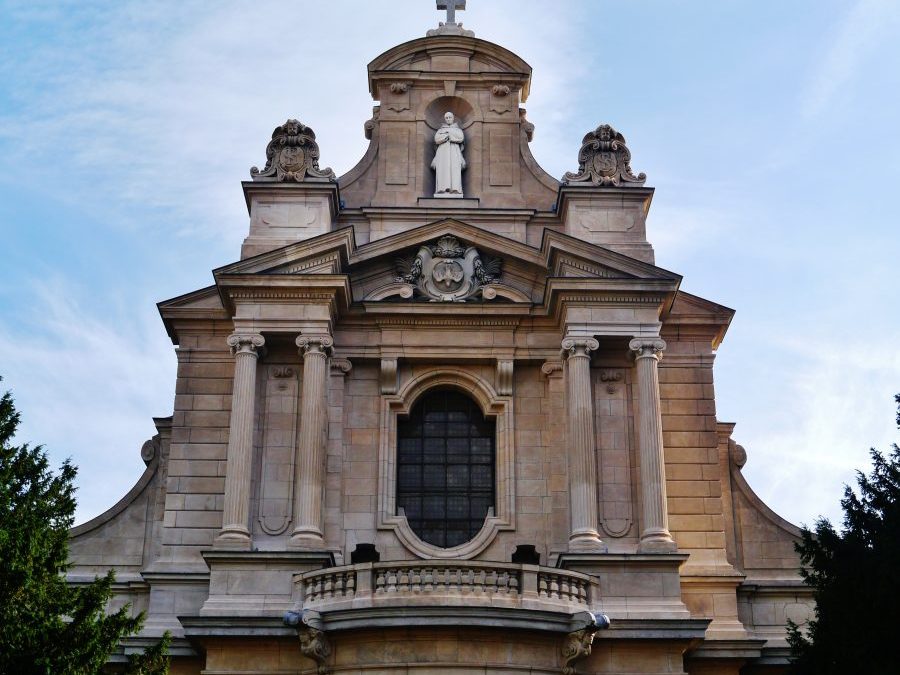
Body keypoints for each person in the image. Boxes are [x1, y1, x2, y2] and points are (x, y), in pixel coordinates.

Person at [432, 111, 466, 197]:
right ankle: (442, 189)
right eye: (446, 118)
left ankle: (455, 189)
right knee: (443, 169)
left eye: (449, 117)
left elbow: (460, 138)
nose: (448, 119)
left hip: (454, 152)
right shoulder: (440, 130)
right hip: (442, 153)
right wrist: (448, 136)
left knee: (454, 169)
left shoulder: (457, 130)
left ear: (453, 118)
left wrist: (448, 135)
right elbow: (437, 139)